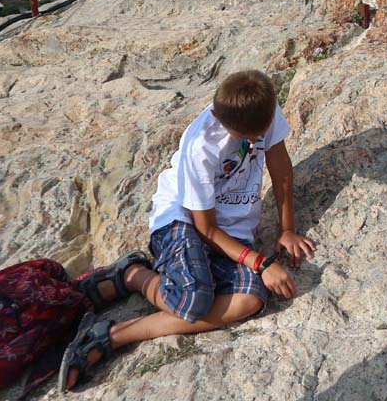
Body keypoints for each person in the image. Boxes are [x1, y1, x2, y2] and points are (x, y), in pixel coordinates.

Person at [60, 70, 316, 391]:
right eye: (248, 137)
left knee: (250, 299)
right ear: (223, 121)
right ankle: (129, 289)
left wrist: (287, 229)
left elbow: (281, 171)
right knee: (192, 301)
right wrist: (261, 264)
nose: (255, 142)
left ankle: (116, 316)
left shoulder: (263, 107)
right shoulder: (201, 145)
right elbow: (206, 229)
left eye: (259, 135)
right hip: (181, 220)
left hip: (230, 233)